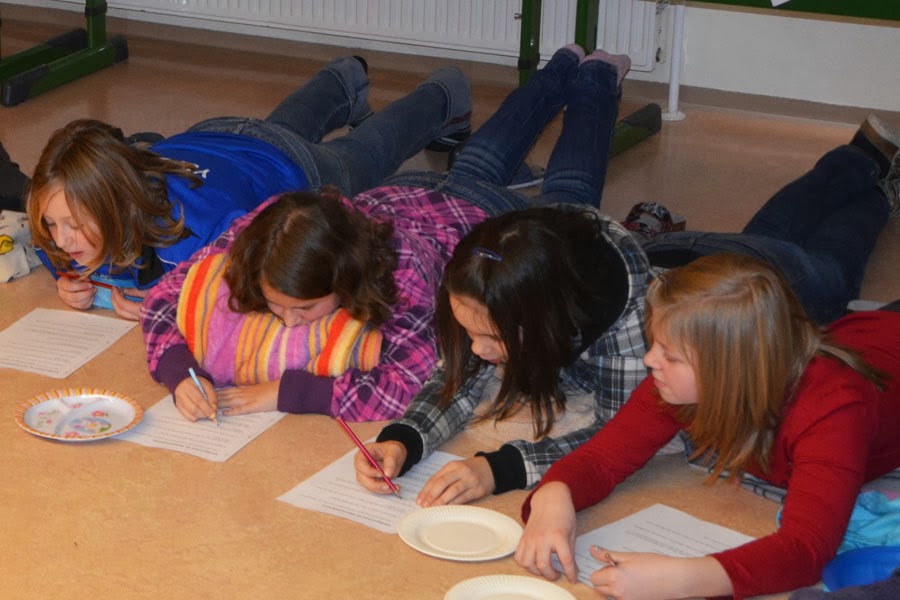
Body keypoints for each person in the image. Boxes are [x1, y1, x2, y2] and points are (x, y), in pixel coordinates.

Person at [352, 101, 900, 504]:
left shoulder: (639, 333)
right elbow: (459, 372)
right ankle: (861, 167)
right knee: (769, 229)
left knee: (830, 265)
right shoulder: (517, 269)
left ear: (551, 319)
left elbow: (620, 437)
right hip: (683, 263)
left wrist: (503, 467)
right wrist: (405, 437)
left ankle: (868, 175)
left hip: (755, 285)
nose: (476, 350)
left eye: (490, 337)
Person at [140, 43, 631, 422]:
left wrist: (286, 393)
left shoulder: (399, 274)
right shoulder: (264, 230)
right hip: (410, 190)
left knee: (570, 195)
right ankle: (564, 64)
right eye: (276, 305)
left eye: (305, 309)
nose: (289, 323)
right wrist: (180, 372)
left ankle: (595, 77)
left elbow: (410, 383)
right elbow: (163, 297)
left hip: (488, 221)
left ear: (344, 276)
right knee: (484, 155)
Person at [515, 252, 900, 600]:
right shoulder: (685, 381)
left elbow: (807, 550)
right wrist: (554, 495)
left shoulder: (834, 408)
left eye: (670, 356)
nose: (650, 360)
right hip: (864, 332)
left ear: (729, 370)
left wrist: (684, 579)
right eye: (655, 345)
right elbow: (603, 459)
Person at [26, 55, 471, 320]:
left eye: (75, 225)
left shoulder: (199, 236)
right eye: (52, 222)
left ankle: (444, 96)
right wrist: (68, 282)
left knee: (365, 154)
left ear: (114, 207)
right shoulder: (80, 213)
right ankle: (343, 79)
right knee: (277, 127)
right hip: (215, 140)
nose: (62, 240)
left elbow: (255, 292)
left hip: (288, 165)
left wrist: (174, 308)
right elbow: (50, 247)